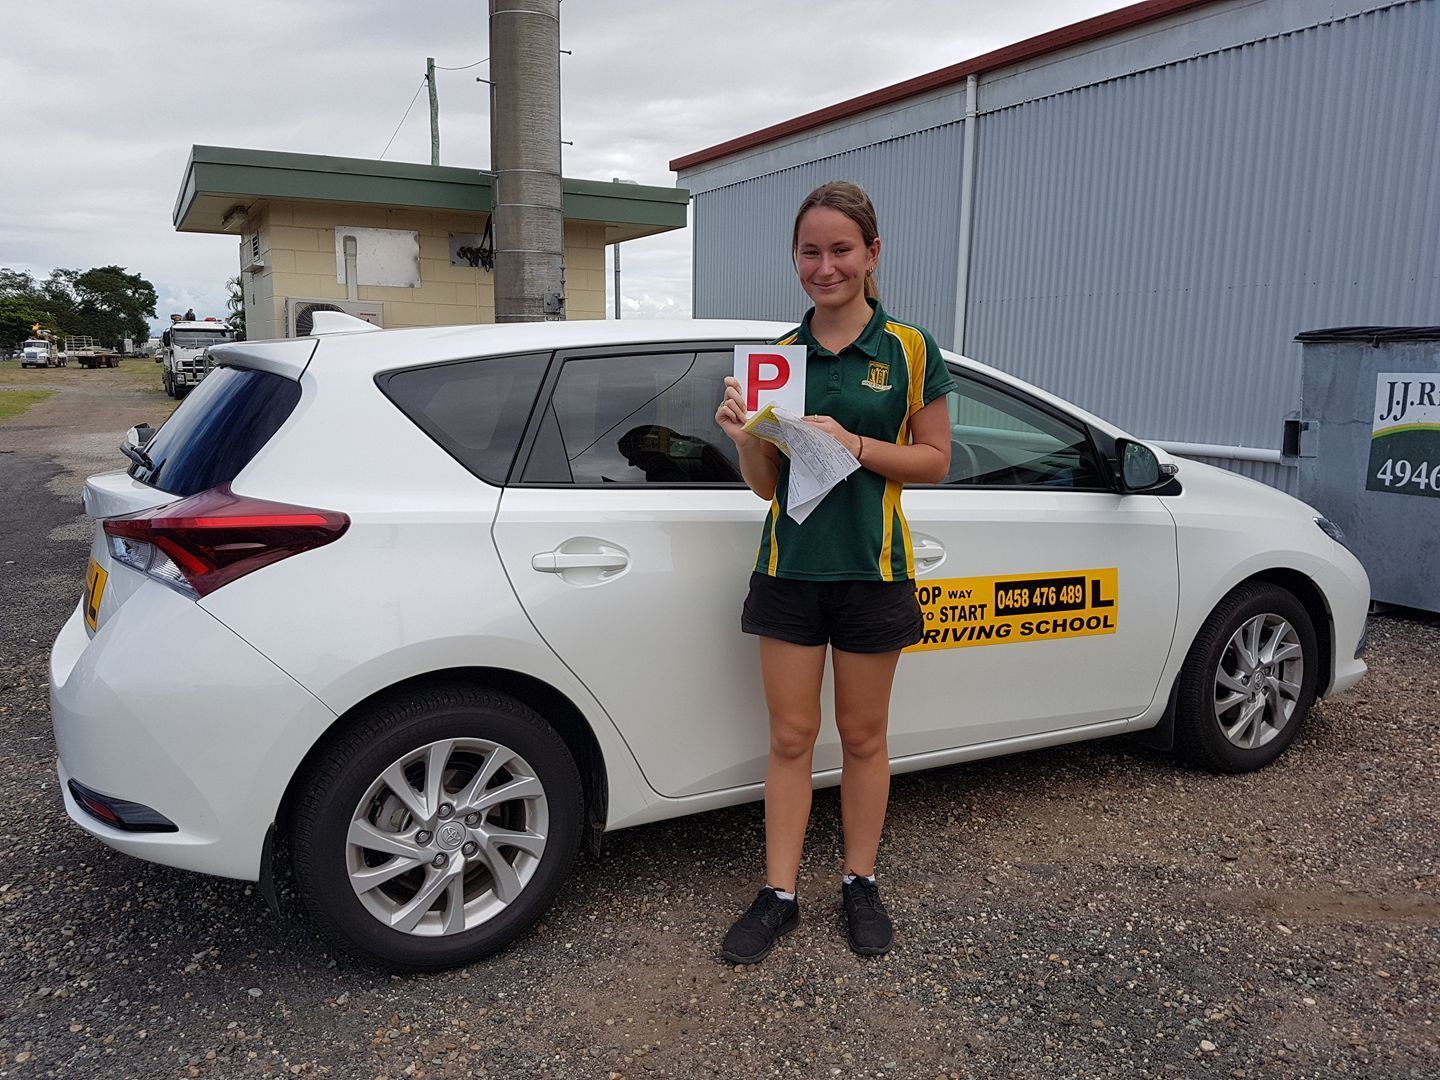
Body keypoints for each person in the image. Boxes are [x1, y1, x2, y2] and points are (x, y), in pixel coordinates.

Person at [714, 181, 956, 963]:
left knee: (862, 737)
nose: (825, 266)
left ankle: (859, 881)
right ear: (796, 258)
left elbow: (936, 462)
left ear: (872, 254)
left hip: (873, 572)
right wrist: (745, 435)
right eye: (811, 252)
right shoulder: (777, 359)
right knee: (789, 738)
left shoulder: (910, 349)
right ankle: (779, 893)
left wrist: (853, 443)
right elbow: (764, 486)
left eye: (841, 250)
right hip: (789, 571)